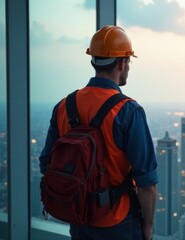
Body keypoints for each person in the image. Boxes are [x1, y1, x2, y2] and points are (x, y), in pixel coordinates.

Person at [39, 25, 158, 240]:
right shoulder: (128, 111)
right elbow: (147, 182)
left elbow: (46, 163)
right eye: (129, 61)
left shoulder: (64, 106)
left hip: (79, 218)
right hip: (118, 222)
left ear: (93, 60)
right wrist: (148, 226)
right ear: (122, 63)